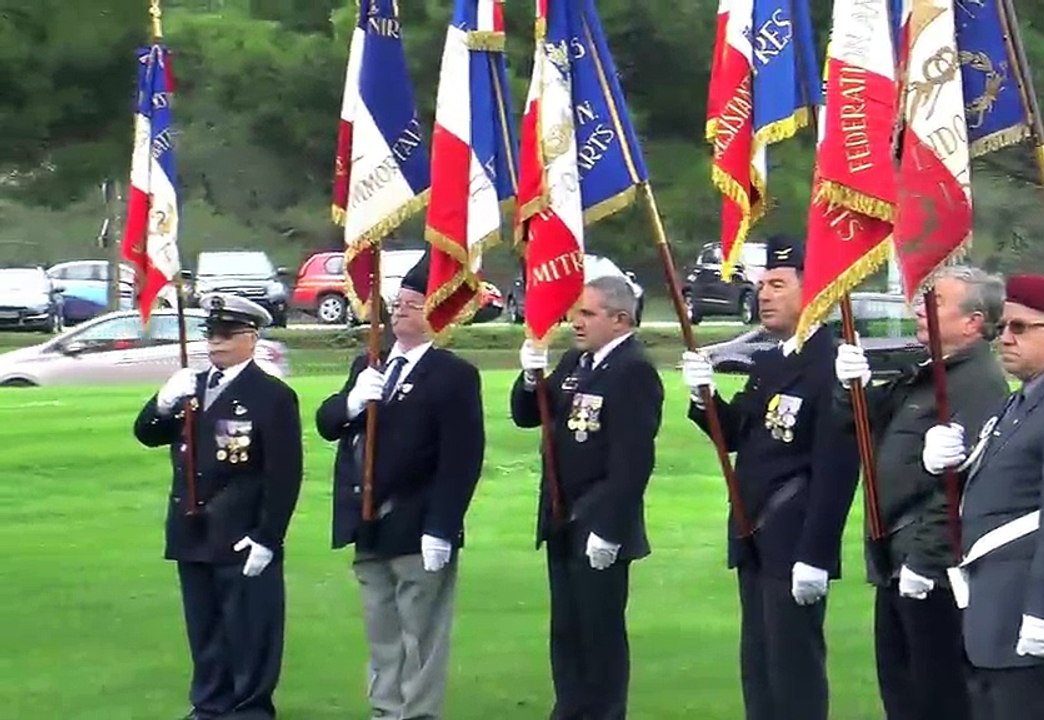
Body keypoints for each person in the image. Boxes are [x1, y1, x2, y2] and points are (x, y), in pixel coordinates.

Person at [679, 233, 860, 720]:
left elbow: (836, 469)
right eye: (761, 285)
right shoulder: (775, 359)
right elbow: (739, 434)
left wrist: (816, 556)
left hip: (794, 539)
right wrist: (706, 400)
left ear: (813, 289)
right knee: (758, 670)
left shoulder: (829, 366)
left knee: (793, 675)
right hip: (755, 532)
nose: (763, 294)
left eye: (777, 284)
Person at [922, 274, 1044, 720]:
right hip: (999, 616)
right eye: (1003, 327)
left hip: (1032, 619)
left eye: (1020, 328)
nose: (1004, 338)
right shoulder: (1026, 400)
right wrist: (946, 467)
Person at [833, 266, 1009, 720]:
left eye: (935, 304)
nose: (919, 311)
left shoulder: (977, 384)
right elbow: (856, 421)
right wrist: (848, 385)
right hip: (894, 556)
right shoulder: (929, 373)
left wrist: (925, 561)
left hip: (928, 567)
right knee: (903, 694)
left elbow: (961, 483)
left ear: (972, 322)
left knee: (939, 697)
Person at [315, 257, 485, 720]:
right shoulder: (367, 363)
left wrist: (442, 528)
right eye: (398, 303)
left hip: (417, 522)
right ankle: (386, 710)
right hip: (367, 523)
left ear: (437, 314)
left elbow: (461, 459)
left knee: (422, 637)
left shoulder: (452, 375)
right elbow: (328, 425)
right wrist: (352, 401)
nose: (401, 310)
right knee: (382, 634)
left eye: (413, 304)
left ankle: (419, 714)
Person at [133, 292, 303, 720]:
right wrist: (164, 402)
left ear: (251, 337)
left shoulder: (271, 395)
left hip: (241, 531)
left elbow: (282, 474)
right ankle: (209, 704)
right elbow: (147, 434)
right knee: (205, 628)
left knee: (248, 628)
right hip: (193, 528)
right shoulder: (193, 389)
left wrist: (269, 536)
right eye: (211, 334)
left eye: (227, 335)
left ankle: (249, 708)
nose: (216, 343)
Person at [510, 275, 663, 720]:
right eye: (577, 312)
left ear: (620, 320)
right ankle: (571, 710)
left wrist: (610, 530)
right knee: (568, 634)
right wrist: (529, 375)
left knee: (599, 637)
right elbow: (528, 415)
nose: (576, 322)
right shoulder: (578, 361)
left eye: (587, 313)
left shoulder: (633, 370)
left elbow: (633, 461)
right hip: (561, 518)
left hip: (597, 524)